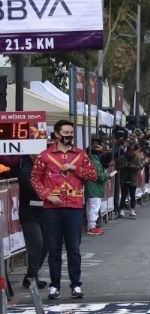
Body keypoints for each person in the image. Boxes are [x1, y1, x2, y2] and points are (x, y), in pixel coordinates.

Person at [31, 120, 97, 300]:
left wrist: (76, 168)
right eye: (66, 133)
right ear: (57, 134)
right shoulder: (45, 156)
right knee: (54, 249)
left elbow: (93, 175)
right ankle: (54, 286)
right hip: (52, 209)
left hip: (75, 208)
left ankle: (76, 285)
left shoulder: (81, 155)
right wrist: (46, 196)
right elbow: (35, 179)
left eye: (71, 133)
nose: (69, 136)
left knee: (74, 249)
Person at [18, 155, 47, 289]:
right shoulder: (26, 168)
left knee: (45, 245)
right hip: (29, 213)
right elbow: (29, 187)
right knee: (37, 244)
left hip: (44, 211)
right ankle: (30, 277)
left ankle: (32, 275)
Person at [83, 138, 110, 236]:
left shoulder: (93, 160)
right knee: (93, 208)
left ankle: (91, 226)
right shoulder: (94, 161)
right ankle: (92, 227)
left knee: (92, 208)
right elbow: (97, 175)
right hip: (93, 187)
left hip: (93, 187)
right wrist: (106, 176)